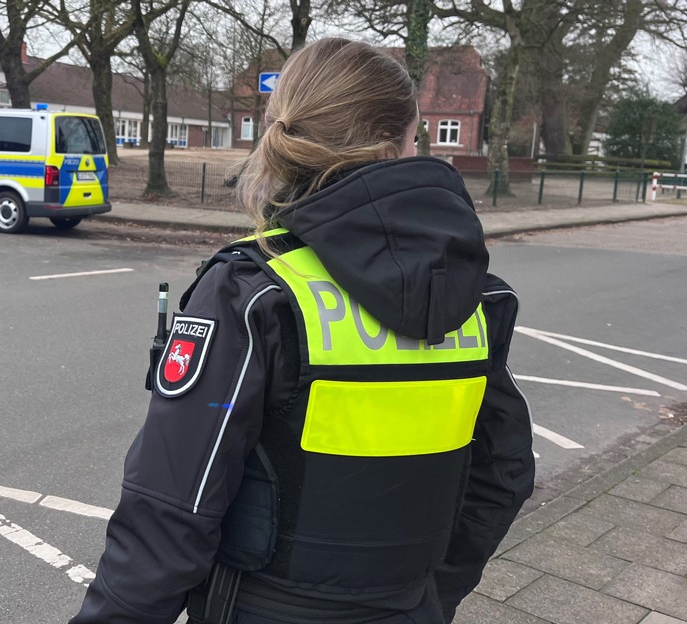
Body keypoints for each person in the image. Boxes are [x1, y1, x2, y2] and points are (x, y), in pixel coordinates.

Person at [68, 38, 535, 624]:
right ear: (405, 138)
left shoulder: (253, 293)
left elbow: (171, 507)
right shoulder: (476, 297)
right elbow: (504, 473)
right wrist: (428, 596)